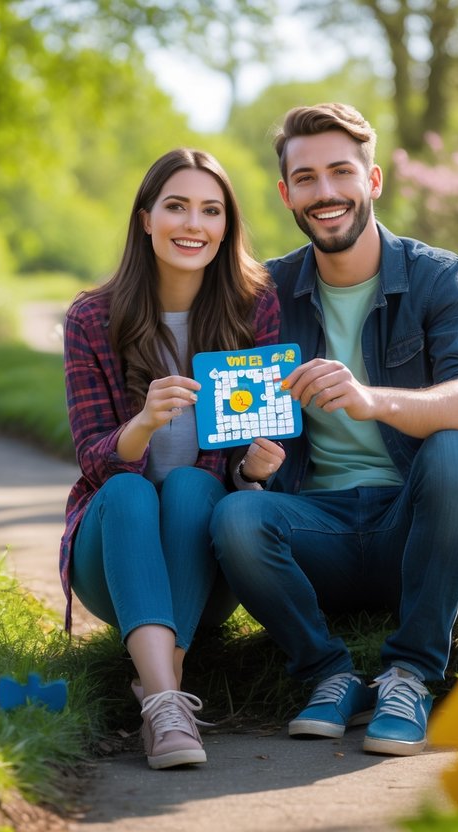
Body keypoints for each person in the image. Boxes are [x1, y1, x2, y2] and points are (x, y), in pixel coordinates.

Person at [210, 103, 458, 757]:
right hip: (313, 534)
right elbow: (235, 436)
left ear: (372, 180)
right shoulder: (262, 294)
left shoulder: (438, 275)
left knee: (451, 452)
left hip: (421, 528)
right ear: (285, 193)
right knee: (236, 515)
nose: (324, 193)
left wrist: (371, 400)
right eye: (305, 178)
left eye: (339, 172)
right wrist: (251, 469)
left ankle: (409, 674)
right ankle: (329, 676)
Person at [60, 148, 280, 770]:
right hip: (113, 558)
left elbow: (239, 462)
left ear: (226, 227)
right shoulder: (92, 317)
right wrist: (144, 423)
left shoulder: (252, 306)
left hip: (203, 567)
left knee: (188, 486)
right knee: (132, 493)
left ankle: (163, 685)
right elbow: (96, 463)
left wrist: (253, 472)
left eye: (212, 211)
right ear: (145, 219)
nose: (194, 224)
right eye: (177, 206)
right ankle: (165, 699)